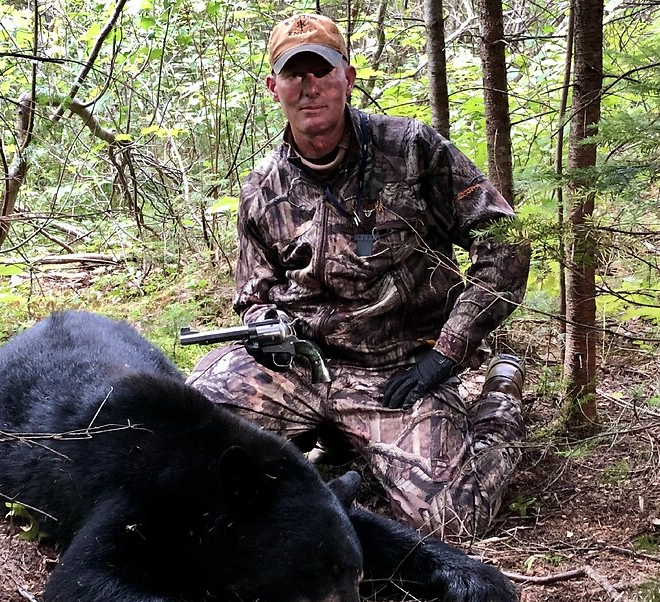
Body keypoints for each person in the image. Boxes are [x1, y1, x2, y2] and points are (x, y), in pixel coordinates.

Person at [186, 12, 531, 539]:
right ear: (273, 87)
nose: (309, 88)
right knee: (182, 436)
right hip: (300, 365)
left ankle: (500, 394)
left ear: (347, 77)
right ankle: (331, 441)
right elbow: (252, 292)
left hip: (397, 372)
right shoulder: (262, 187)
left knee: (453, 518)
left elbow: (503, 241)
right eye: (293, 75)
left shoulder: (413, 151)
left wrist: (448, 351)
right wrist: (263, 329)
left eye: (321, 72)